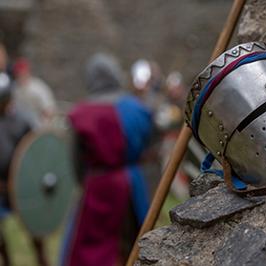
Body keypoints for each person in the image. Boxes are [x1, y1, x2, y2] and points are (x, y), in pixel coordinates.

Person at [61, 53, 153, 266]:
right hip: (132, 182)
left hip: (98, 187)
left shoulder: (80, 113)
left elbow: (76, 160)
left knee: (94, 250)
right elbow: (148, 146)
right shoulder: (137, 109)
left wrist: (85, 182)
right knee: (134, 244)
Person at [0, 68, 48, 266]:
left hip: (22, 184)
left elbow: (37, 149)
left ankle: (42, 261)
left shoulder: (23, 119)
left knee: (35, 230)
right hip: (0, 187)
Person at [12, 58, 56, 129]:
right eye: (18, 74)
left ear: (28, 72)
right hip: (20, 128)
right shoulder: (14, 88)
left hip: (39, 127)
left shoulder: (38, 87)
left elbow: (49, 110)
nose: (21, 76)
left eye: (23, 73)